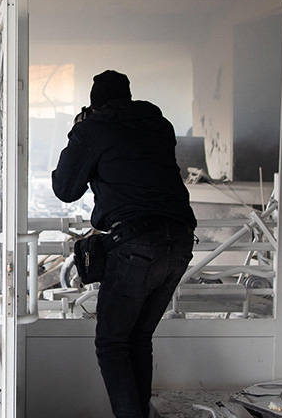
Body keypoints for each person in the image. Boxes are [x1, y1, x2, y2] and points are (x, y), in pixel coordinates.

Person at [52, 70, 197, 418]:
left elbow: (66, 189)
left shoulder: (93, 129)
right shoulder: (158, 124)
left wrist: (79, 130)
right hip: (179, 241)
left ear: (94, 102)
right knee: (137, 338)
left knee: (112, 343)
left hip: (136, 244)